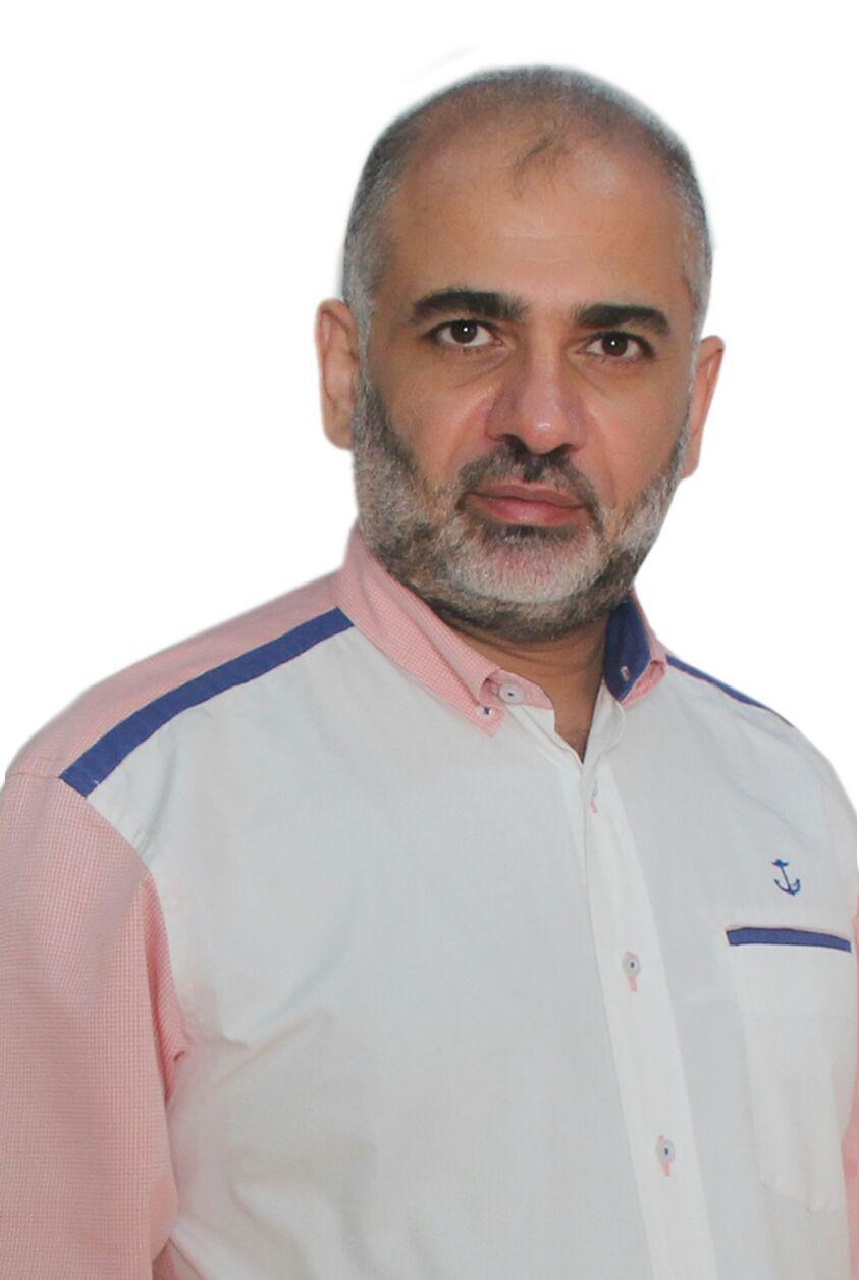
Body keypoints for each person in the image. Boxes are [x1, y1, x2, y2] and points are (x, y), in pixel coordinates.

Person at [0, 65, 855, 1280]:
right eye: (468, 331)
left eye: (612, 344)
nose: (540, 419)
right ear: (345, 369)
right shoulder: (118, 814)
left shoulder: (793, 800)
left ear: (695, 401)